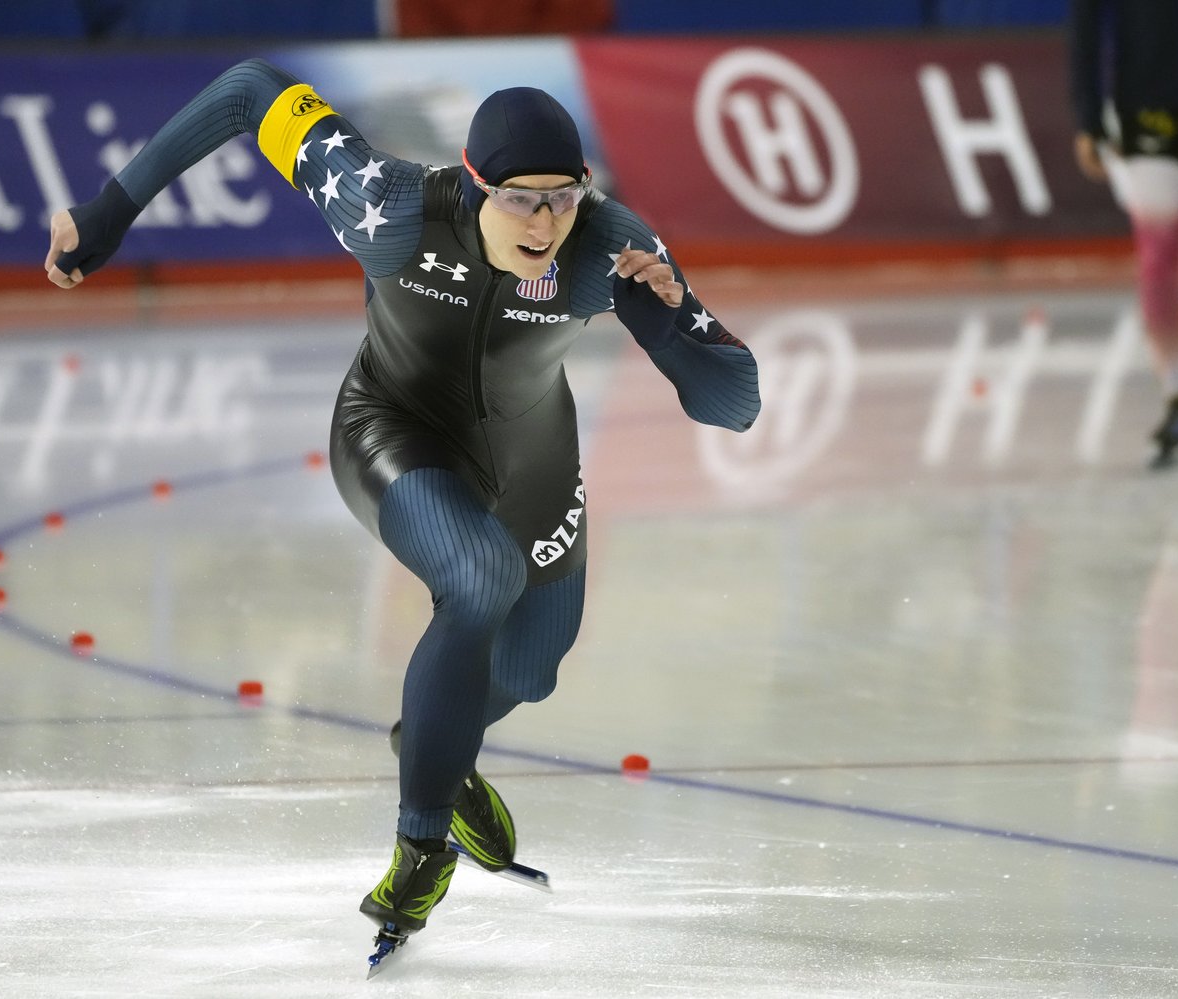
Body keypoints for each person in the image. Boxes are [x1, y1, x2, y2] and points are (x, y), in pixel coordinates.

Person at [44, 57, 760, 944]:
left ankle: (436, 746)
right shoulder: (387, 206)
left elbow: (735, 405)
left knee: (532, 668)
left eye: (563, 197)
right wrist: (110, 212)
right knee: (480, 574)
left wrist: (677, 327)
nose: (545, 222)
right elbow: (246, 90)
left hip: (533, 458)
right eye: (520, 200)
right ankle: (421, 849)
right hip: (393, 430)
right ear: (474, 185)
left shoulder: (609, 244)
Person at [1070, 0, 1178, 468]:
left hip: (1148, 96)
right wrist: (1087, 115)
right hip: (1149, 106)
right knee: (1159, 256)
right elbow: (1086, 19)